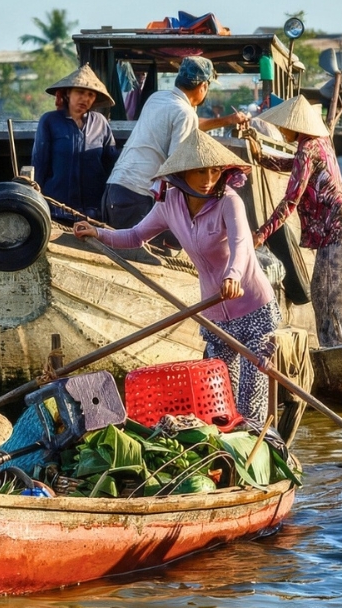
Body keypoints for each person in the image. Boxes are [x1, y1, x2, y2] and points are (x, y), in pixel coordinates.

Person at [74, 133, 279, 429]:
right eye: (200, 171)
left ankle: (259, 448)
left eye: (215, 170)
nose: (209, 178)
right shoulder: (169, 202)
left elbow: (242, 246)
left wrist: (232, 277)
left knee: (250, 402)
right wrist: (98, 233)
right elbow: (135, 235)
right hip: (213, 313)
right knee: (221, 399)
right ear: (182, 173)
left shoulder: (229, 202)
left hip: (252, 307)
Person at [250, 95, 342, 346]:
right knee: (328, 291)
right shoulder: (318, 142)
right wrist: (261, 157)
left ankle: (340, 349)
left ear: (296, 126)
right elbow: (293, 165)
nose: (282, 131)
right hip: (339, 225)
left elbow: (291, 200)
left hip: (338, 225)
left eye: (285, 126)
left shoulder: (308, 148)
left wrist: (262, 233)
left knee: (331, 294)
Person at [101, 56, 249, 228]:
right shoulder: (185, 113)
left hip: (115, 188)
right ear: (204, 86)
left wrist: (229, 120)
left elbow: (189, 123)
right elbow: (177, 166)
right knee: (133, 251)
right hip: (138, 195)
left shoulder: (157, 98)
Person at [32, 64, 117, 221]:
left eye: (91, 95)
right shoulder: (50, 121)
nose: (85, 98)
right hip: (57, 210)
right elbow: (39, 164)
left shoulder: (100, 122)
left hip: (93, 213)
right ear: (67, 94)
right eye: (80, 92)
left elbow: (111, 164)